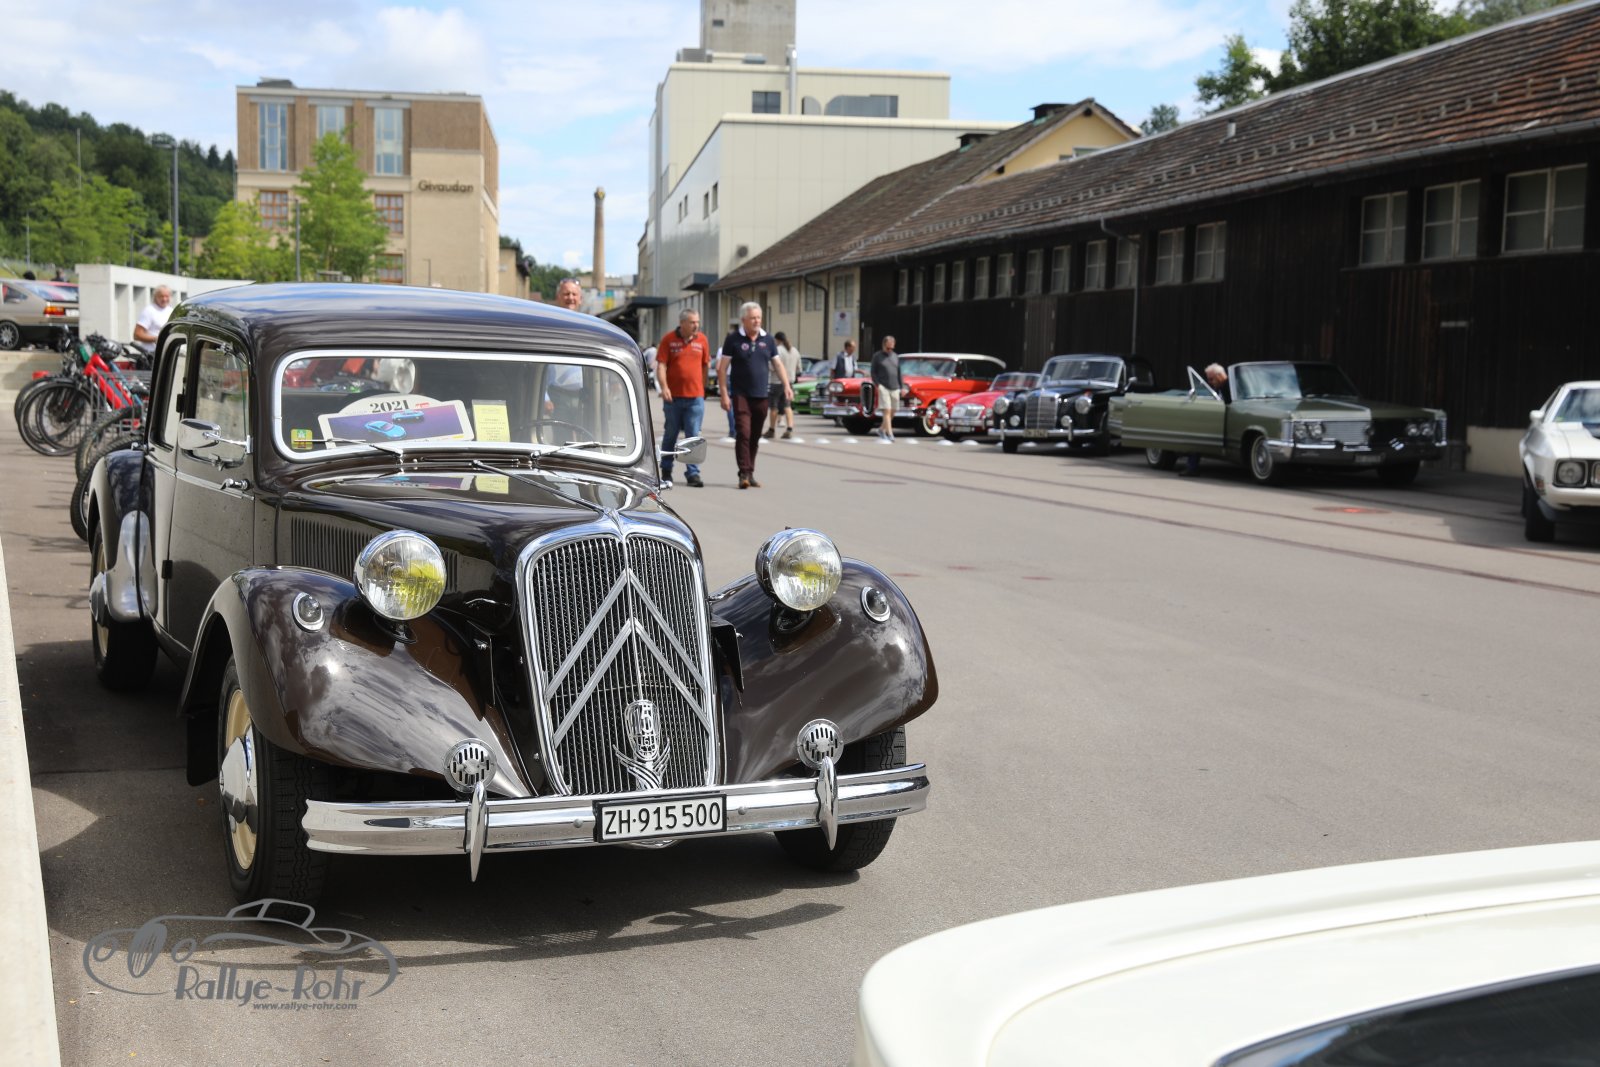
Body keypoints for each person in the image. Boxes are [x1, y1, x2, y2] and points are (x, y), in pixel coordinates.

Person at [718, 301, 791, 489]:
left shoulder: (768, 340)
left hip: (761, 395)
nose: (757, 321)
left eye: (759, 318)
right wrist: (724, 393)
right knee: (743, 432)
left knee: (755, 435)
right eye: (753, 318)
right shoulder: (733, 339)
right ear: (743, 320)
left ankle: (750, 473)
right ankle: (743, 472)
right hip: (740, 394)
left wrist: (786, 385)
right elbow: (722, 368)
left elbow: (777, 364)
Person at [656, 309, 712, 488]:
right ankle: (666, 471)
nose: (696, 325)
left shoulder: (702, 340)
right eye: (692, 322)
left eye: (697, 322)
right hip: (673, 399)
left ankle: (693, 473)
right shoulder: (669, 340)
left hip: (695, 398)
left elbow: (705, 366)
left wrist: (703, 388)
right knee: (670, 434)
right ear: (682, 323)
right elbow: (661, 366)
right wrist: (664, 387)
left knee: (693, 436)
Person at [1180, 363, 1231, 476]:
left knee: (1197, 435)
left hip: (1227, 423)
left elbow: (1227, 404)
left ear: (1219, 376)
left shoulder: (1228, 387)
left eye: (1211, 379)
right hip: (1221, 421)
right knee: (1197, 430)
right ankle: (1192, 467)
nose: (1210, 382)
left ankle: (1192, 467)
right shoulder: (1221, 387)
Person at [764, 331, 801, 440]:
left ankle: (771, 430)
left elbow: (771, 367)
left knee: (774, 407)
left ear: (776, 340)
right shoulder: (794, 351)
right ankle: (789, 428)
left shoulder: (777, 350)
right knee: (787, 406)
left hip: (776, 382)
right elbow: (799, 368)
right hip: (789, 382)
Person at [870, 335, 901, 442]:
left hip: (895, 386)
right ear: (883, 345)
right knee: (886, 410)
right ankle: (890, 434)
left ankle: (881, 430)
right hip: (883, 386)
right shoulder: (877, 356)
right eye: (888, 348)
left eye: (892, 348)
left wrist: (901, 386)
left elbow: (899, 373)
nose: (890, 350)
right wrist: (878, 384)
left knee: (893, 410)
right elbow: (873, 372)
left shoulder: (895, 356)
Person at [133, 285, 174, 356]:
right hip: (151, 354)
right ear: (155, 297)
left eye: (167, 296)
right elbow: (137, 335)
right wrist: (157, 339)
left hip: (167, 353)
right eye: (161, 296)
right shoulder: (149, 311)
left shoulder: (171, 311)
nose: (164, 299)